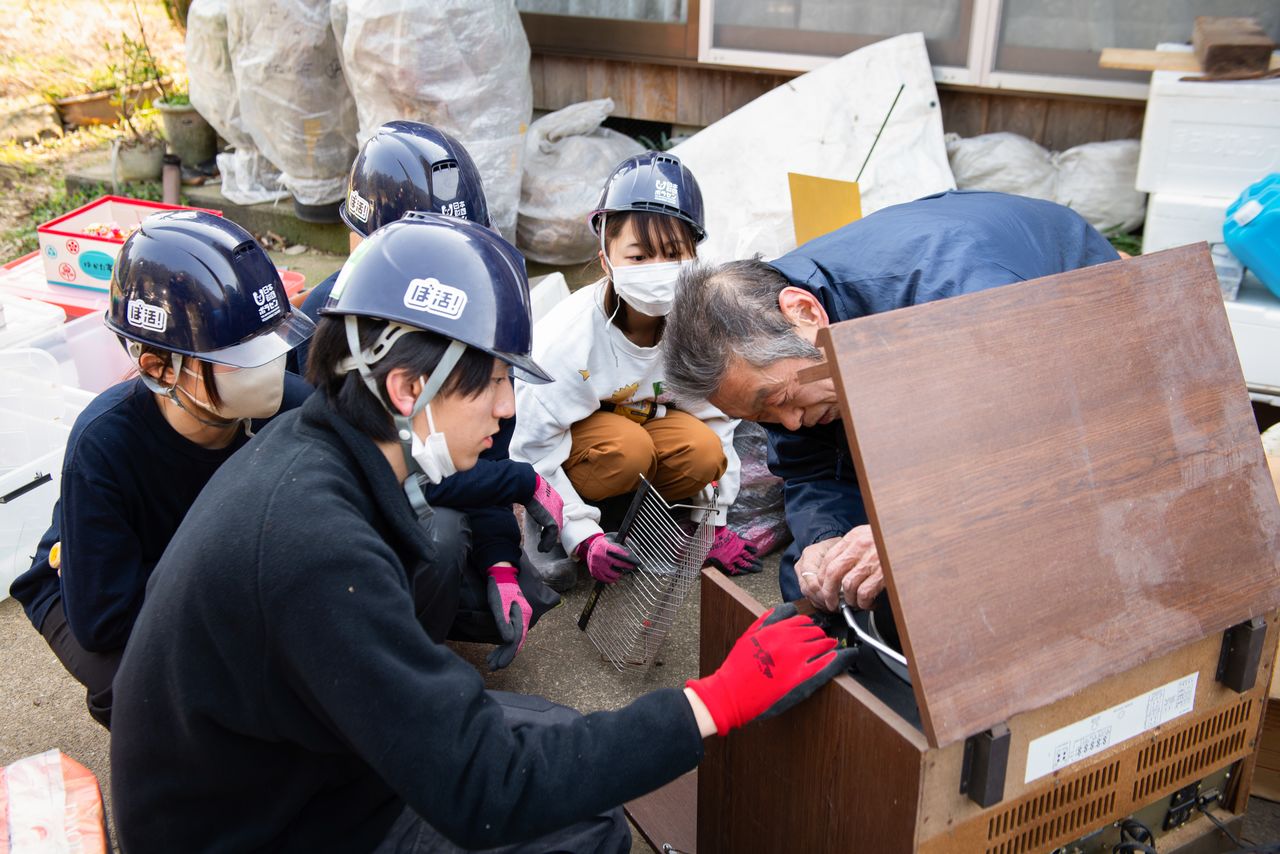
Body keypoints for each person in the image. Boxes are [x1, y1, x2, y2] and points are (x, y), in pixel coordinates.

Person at [109, 213, 855, 853]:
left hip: (299, 763)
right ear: (409, 387)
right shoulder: (313, 545)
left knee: (565, 747)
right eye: (494, 381)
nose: (507, 407)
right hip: (264, 831)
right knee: (581, 829)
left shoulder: (325, 447)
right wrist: (714, 701)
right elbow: (486, 791)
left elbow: (492, 489)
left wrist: (528, 524)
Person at [662, 189, 1121, 612]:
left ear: (804, 311)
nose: (791, 423)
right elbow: (814, 466)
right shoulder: (786, 335)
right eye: (763, 416)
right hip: (963, 385)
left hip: (1075, 351)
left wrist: (910, 532)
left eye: (781, 399)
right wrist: (825, 537)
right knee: (823, 576)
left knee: (962, 577)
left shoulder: (963, 302)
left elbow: (1029, 445)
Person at [8, 211, 315, 728]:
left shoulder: (291, 411)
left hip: (196, 571)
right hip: (98, 592)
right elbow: (104, 622)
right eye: (240, 355)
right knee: (153, 690)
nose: (268, 369)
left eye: (272, 345)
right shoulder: (104, 445)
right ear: (158, 367)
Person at [299, 119, 564, 666]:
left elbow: (485, 452)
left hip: (422, 494)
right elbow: (367, 477)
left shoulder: (478, 317)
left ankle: (420, 651)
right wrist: (520, 482)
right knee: (434, 536)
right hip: (341, 519)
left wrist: (500, 563)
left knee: (481, 559)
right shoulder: (320, 327)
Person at [511, 151, 758, 589]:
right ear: (605, 258)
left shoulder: (696, 328)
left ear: (694, 257)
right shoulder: (569, 338)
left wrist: (713, 524)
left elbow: (718, 419)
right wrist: (581, 537)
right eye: (639, 257)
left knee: (703, 451)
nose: (657, 268)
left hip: (645, 428)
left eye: (672, 253)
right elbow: (531, 449)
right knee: (628, 450)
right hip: (587, 449)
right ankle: (570, 515)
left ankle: (644, 515)